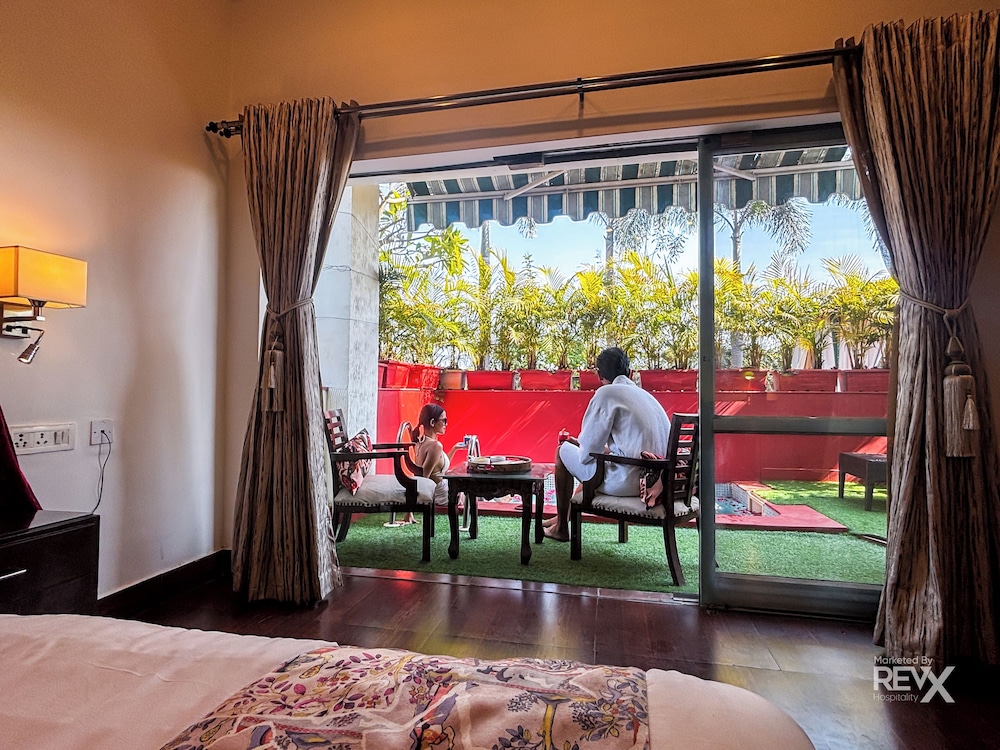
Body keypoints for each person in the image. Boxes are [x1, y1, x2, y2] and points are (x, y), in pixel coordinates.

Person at [543, 347, 671, 541]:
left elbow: (586, 455)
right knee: (593, 464)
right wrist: (588, 447)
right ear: (630, 373)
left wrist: (580, 446)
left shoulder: (606, 393)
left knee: (562, 451)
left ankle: (561, 528)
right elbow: (627, 448)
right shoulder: (647, 397)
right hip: (655, 481)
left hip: (627, 483)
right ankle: (562, 517)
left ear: (599, 375)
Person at [412, 403, 468, 509]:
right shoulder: (435, 446)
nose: (446, 424)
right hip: (443, 494)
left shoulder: (421, 442)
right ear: (433, 422)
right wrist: (412, 508)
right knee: (472, 489)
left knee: (465, 466)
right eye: (444, 420)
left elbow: (438, 467)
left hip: (441, 488)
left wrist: (455, 448)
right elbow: (424, 478)